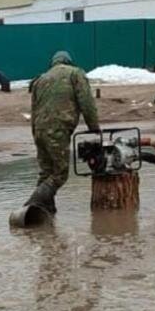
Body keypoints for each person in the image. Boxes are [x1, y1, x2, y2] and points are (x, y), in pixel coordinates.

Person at [22, 51, 100, 216]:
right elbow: (86, 102)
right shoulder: (75, 73)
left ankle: (46, 213)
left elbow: (34, 110)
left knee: (46, 172)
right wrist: (94, 127)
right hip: (57, 129)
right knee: (60, 173)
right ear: (69, 61)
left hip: (39, 130)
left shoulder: (40, 79)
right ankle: (30, 206)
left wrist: (36, 133)